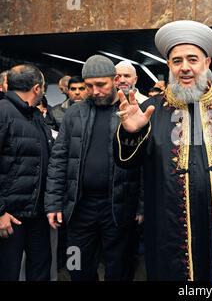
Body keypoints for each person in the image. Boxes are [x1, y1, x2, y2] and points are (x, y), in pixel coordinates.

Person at [113, 20, 212, 281]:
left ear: (207, 63)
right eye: (177, 61)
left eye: (192, 59)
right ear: (169, 66)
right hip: (168, 221)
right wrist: (131, 132)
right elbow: (127, 164)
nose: (185, 67)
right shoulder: (153, 109)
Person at [45, 55, 144, 281]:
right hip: (79, 208)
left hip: (118, 207)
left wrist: (142, 205)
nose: (95, 91)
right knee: (77, 265)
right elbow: (59, 159)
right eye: (89, 86)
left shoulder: (130, 112)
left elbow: (144, 163)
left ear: (116, 79)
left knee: (119, 270)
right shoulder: (73, 114)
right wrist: (53, 203)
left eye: (101, 84)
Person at [0, 64, 53, 281]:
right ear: (37, 87)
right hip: (9, 219)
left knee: (40, 271)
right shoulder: (3, 113)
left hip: (37, 214)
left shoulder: (34, 115)